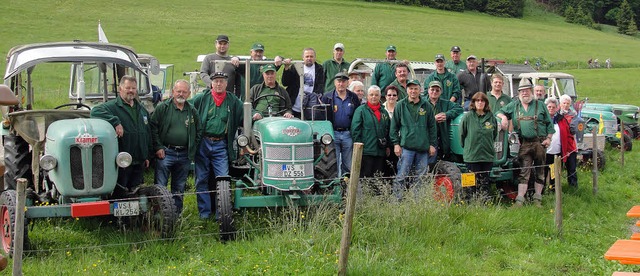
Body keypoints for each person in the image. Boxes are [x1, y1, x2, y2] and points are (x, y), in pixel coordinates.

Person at [190, 72, 243, 219]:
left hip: (221, 144)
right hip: (203, 143)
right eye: (216, 81)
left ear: (226, 84)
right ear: (211, 83)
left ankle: (222, 213)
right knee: (201, 178)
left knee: (223, 178)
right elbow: (187, 106)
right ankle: (205, 213)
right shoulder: (202, 98)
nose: (219, 84)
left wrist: (256, 114)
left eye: (221, 81)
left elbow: (245, 112)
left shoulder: (232, 100)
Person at [496, 78, 554, 207]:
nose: (524, 93)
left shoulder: (540, 105)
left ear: (531, 91)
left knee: (540, 170)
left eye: (527, 90)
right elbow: (499, 112)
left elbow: (550, 125)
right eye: (522, 91)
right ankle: (520, 200)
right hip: (525, 144)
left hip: (540, 143)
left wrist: (549, 139)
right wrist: (504, 117)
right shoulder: (514, 105)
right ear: (518, 93)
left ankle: (537, 199)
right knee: (524, 171)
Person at [91, 75, 152, 193]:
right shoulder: (112, 106)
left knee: (137, 193)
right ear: (120, 89)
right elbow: (95, 111)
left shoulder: (142, 110)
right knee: (120, 193)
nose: (131, 91)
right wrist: (115, 122)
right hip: (122, 162)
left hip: (139, 161)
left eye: (133, 88)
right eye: (128, 88)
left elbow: (147, 134)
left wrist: (147, 155)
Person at [150, 80, 201, 214]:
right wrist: (158, 147)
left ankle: (176, 216)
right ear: (173, 92)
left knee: (179, 188)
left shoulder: (192, 111)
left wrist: (192, 149)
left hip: (184, 155)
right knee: (160, 186)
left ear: (189, 94)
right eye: (178, 91)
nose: (181, 94)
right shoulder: (163, 108)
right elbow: (153, 127)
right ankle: (158, 215)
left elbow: (199, 131)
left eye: (184, 92)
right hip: (166, 152)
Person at [390, 79, 437, 201]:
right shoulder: (400, 105)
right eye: (410, 88)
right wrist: (396, 144)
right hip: (406, 148)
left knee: (420, 178)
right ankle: (397, 201)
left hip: (423, 148)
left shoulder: (426, 105)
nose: (413, 91)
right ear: (407, 90)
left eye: (416, 88)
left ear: (420, 90)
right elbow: (394, 127)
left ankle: (417, 202)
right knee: (401, 176)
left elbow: (432, 127)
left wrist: (432, 144)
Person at [321, 72, 360, 175]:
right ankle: (335, 187)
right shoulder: (327, 97)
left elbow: (357, 116)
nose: (341, 84)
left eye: (343, 82)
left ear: (347, 83)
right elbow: (321, 116)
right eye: (339, 81)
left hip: (348, 134)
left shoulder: (353, 97)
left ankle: (346, 187)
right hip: (333, 133)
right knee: (334, 162)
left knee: (348, 163)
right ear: (335, 83)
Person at [461, 92, 498, 199]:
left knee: (485, 182)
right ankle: (470, 202)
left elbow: (494, 134)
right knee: (470, 183)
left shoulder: (491, 117)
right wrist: (468, 147)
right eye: (477, 100)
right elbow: (462, 135)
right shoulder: (467, 117)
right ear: (473, 102)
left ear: (486, 103)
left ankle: (484, 202)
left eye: (482, 101)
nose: (480, 103)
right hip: (472, 156)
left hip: (486, 155)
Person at [351, 85, 391, 178]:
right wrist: (359, 146)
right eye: (371, 94)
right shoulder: (360, 110)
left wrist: (387, 146)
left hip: (380, 151)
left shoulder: (384, 112)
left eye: (376, 95)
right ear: (367, 96)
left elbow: (388, 130)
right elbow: (355, 129)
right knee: (366, 176)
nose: (374, 97)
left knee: (378, 177)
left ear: (380, 96)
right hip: (366, 151)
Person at [282, 48, 325, 119]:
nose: (309, 58)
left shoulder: (319, 69)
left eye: (311, 56)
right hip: (295, 105)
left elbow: (320, 86)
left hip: (310, 107)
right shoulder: (295, 67)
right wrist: (286, 69)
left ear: (315, 58)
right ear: (303, 57)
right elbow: (285, 83)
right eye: (307, 56)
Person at [425, 80, 463, 163]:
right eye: (432, 89)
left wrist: (447, 114)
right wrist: (433, 119)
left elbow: (459, 108)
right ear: (428, 90)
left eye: (437, 90)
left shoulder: (446, 103)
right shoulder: (423, 103)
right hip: (427, 138)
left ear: (441, 91)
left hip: (441, 137)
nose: (434, 92)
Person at [556, 95, 579, 188]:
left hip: (570, 144)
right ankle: (555, 186)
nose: (565, 105)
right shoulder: (556, 114)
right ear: (560, 104)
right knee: (556, 166)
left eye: (567, 103)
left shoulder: (574, 115)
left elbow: (573, 129)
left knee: (572, 166)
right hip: (558, 143)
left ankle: (573, 186)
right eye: (564, 103)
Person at [383, 85, 399, 177]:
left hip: (398, 143)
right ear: (385, 97)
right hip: (385, 144)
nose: (391, 97)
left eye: (394, 95)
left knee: (397, 168)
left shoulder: (401, 108)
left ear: (397, 97)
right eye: (389, 95)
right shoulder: (382, 109)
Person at [544, 97, 561, 192]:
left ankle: (553, 188)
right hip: (545, 150)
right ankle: (542, 189)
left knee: (554, 172)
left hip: (556, 151)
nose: (551, 109)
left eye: (553, 107)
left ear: (556, 108)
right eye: (549, 107)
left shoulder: (560, 119)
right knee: (543, 170)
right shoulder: (542, 119)